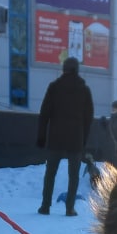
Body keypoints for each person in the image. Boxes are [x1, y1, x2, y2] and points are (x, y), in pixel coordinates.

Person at [36, 56, 93, 216]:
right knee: (73, 176)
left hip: (56, 137)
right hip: (75, 139)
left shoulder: (54, 87)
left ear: (64, 69)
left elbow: (44, 113)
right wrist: (84, 140)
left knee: (50, 173)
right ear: (77, 70)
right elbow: (88, 118)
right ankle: (69, 208)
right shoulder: (84, 89)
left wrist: (41, 136)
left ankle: (45, 206)